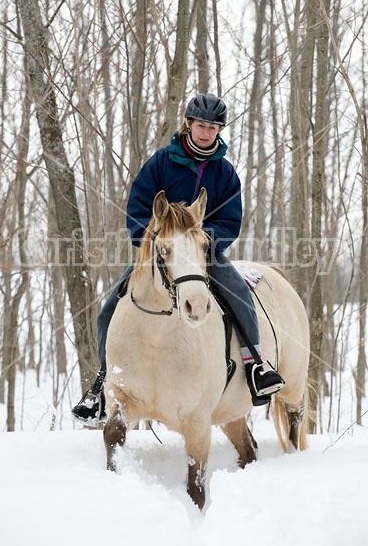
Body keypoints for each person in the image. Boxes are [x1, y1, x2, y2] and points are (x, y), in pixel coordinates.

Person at [72, 93, 284, 426]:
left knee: (240, 295)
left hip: (203, 253)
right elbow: (139, 207)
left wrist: (199, 242)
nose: (207, 132)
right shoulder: (160, 163)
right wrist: (152, 242)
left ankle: (255, 365)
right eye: (202, 125)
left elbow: (230, 220)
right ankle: (102, 383)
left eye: (214, 127)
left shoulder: (225, 173)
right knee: (107, 310)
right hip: (160, 254)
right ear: (188, 124)